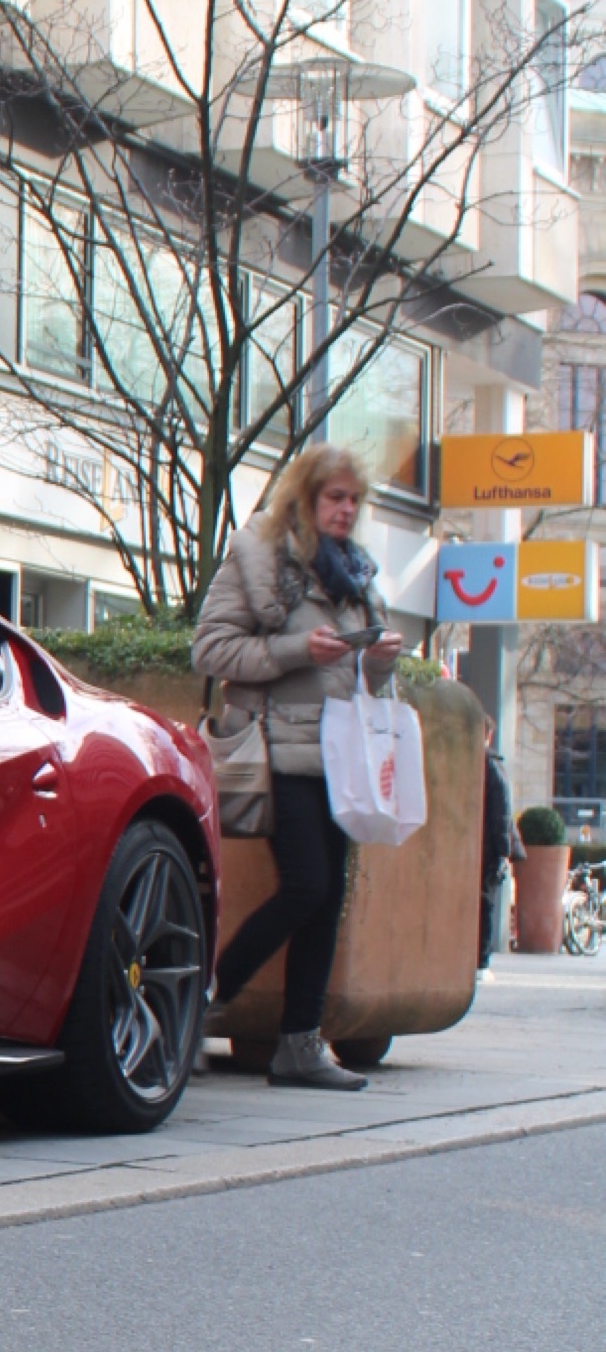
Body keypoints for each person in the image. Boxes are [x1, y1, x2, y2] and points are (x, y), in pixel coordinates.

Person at [192, 443, 400, 1089]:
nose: (346, 511)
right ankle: (198, 998)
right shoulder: (258, 554)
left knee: (327, 896)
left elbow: (359, 676)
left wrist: (380, 660)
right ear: (304, 498)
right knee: (307, 886)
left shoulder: (356, 573)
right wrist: (294, 649)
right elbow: (212, 649)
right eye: (335, 498)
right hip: (278, 746)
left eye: (354, 501)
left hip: (340, 754)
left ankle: (300, 1045)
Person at [478, 705, 514, 972]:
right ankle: (480, 958)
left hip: (486, 849)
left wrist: (501, 851)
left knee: (484, 902)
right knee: (484, 902)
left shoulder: (489, 765)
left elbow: (501, 812)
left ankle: (482, 958)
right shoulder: (490, 765)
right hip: (486, 847)